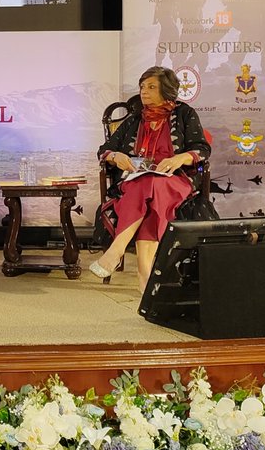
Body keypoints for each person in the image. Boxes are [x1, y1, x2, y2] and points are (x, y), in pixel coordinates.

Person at [90, 66, 211, 291]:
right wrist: (116, 157)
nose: (144, 91)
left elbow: (202, 149)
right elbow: (105, 150)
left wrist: (179, 159)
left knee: (152, 184)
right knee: (147, 187)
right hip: (137, 180)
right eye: (143, 86)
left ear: (166, 90)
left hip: (175, 179)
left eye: (151, 87)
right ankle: (145, 278)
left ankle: (116, 251)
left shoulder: (185, 114)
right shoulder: (134, 120)